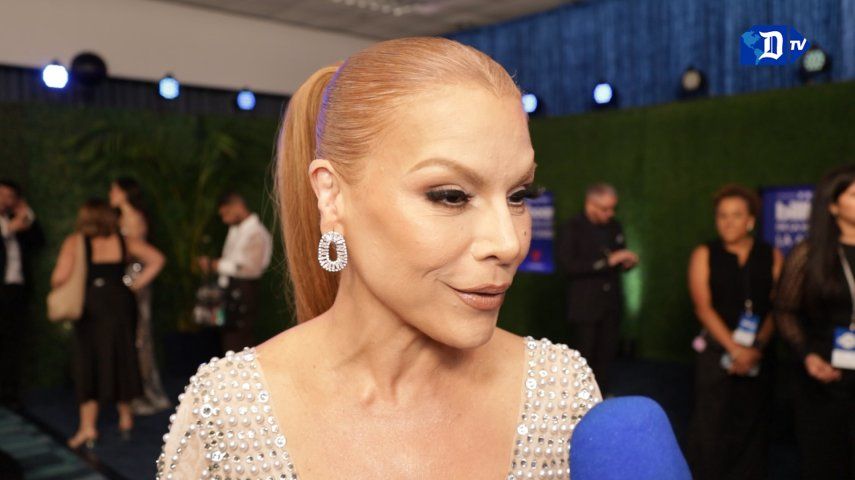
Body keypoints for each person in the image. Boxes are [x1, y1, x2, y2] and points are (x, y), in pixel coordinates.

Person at [158, 37, 602, 479]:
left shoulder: (559, 391)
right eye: (450, 196)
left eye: (518, 194)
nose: (508, 243)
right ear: (332, 196)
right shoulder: (230, 411)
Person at [686, 184, 783, 480]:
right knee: (711, 426)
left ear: (751, 220)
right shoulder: (705, 253)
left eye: (736, 215)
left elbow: (779, 307)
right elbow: (703, 308)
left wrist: (757, 348)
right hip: (717, 354)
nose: (728, 222)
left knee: (754, 425)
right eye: (722, 216)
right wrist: (736, 349)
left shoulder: (772, 254)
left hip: (759, 355)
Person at [51, 199, 165, 449]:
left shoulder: (76, 242)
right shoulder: (124, 241)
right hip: (121, 304)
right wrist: (134, 285)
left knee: (88, 362)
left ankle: (87, 427)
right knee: (121, 357)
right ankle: (126, 419)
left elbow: (58, 277)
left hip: (90, 306)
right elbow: (157, 259)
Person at [775, 164, 855, 479]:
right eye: (853, 193)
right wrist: (807, 355)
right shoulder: (809, 253)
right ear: (833, 206)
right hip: (824, 375)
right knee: (827, 460)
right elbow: (784, 310)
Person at [556, 183, 638, 392]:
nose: (610, 213)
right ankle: (577, 401)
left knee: (606, 355)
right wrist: (605, 263)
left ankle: (600, 398)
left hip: (610, 305)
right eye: (604, 209)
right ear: (590, 204)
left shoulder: (614, 226)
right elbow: (568, 265)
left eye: (612, 208)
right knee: (583, 357)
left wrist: (626, 263)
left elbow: (618, 257)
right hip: (584, 307)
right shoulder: (572, 227)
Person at [109, 177, 172, 415]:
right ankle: (135, 392)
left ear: (124, 193)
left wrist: (133, 284)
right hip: (127, 279)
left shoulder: (134, 219)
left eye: (114, 190)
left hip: (134, 280)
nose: (111, 194)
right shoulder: (121, 218)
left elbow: (145, 255)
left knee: (139, 337)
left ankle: (147, 392)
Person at [197, 192, 273, 353]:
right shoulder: (236, 230)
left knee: (239, 342)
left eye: (226, 213)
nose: (224, 219)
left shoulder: (255, 233)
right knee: (229, 341)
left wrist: (215, 265)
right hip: (230, 292)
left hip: (244, 292)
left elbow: (250, 268)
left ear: (237, 206)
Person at [0, 179, 45, 408]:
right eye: (3, 195)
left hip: (15, 290)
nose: (6, 200)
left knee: (13, 342)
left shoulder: (17, 222)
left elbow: (38, 240)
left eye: (11, 196)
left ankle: (10, 394)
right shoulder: (8, 226)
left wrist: (26, 212)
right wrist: (8, 230)